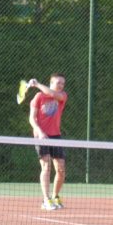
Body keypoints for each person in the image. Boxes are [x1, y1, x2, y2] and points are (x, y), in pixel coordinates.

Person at [28, 73, 68, 210]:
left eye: (63, 83)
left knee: (61, 169)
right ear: (51, 83)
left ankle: (55, 196)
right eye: (58, 83)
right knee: (46, 167)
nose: (61, 86)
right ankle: (46, 200)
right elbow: (32, 119)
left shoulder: (62, 96)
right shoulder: (38, 97)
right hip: (41, 136)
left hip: (56, 136)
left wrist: (37, 84)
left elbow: (51, 93)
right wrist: (39, 131)